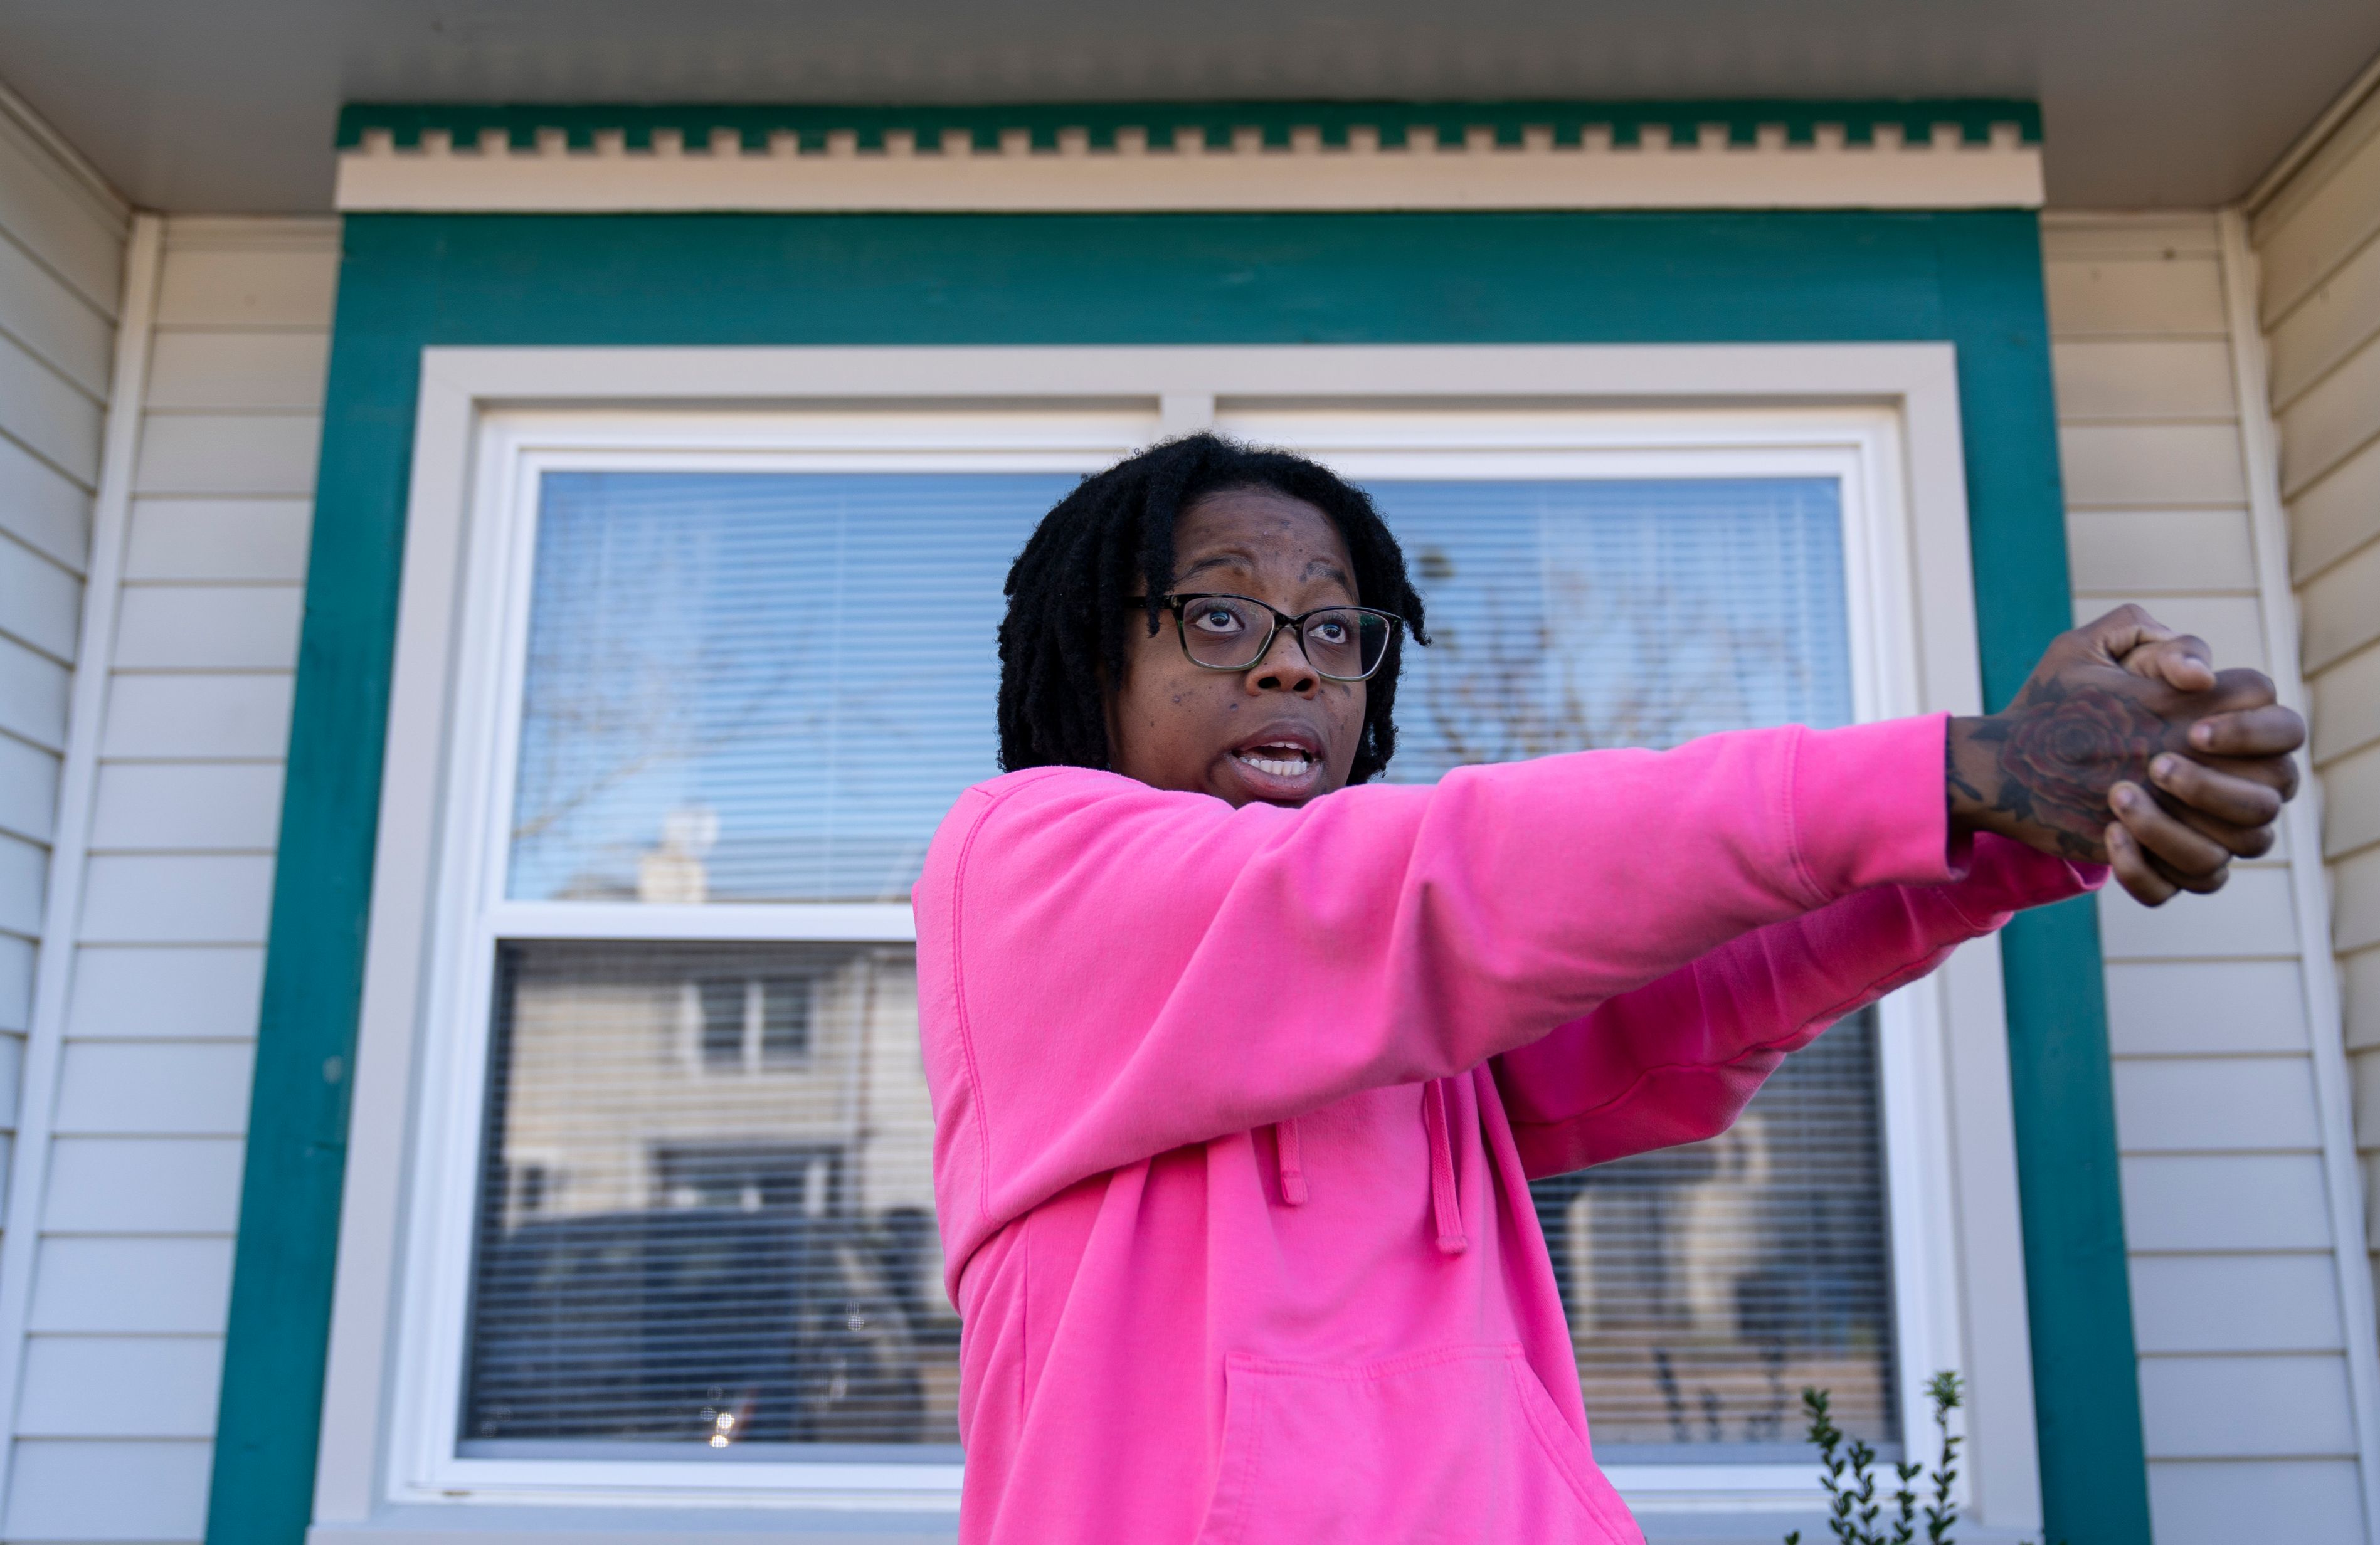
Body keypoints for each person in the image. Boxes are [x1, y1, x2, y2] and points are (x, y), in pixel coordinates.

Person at [912, 434, 2301, 1544]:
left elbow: (1680, 1004)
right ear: (1095, 656)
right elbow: (1451, 879)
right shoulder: (1027, 864)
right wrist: (1948, 764)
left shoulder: (1400, 992)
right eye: (1219, 614)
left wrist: (2001, 835)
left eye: (1338, 631)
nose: (1292, 657)